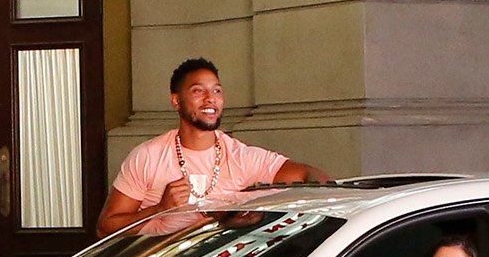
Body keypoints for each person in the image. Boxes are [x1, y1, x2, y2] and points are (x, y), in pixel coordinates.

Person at [96, 58, 329, 235]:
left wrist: (252, 215)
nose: (210, 99)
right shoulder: (148, 156)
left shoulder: (240, 157)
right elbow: (105, 228)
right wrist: (160, 208)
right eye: (198, 91)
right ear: (176, 101)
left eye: (216, 90)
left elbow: (310, 175)